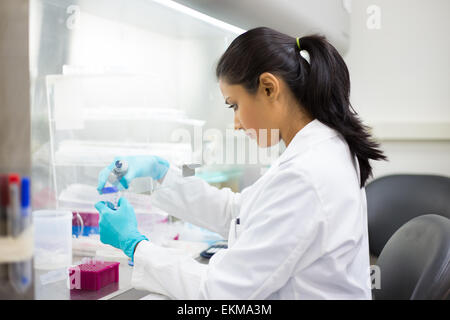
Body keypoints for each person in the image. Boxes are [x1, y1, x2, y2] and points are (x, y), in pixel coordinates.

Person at [95, 27, 386, 299]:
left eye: (235, 105)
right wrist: (162, 176)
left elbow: (220, 292)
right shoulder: (320, 148)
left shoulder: (306, 174)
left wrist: (134, 245)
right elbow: (238, 213)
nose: (236, 123)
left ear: (269, 88)